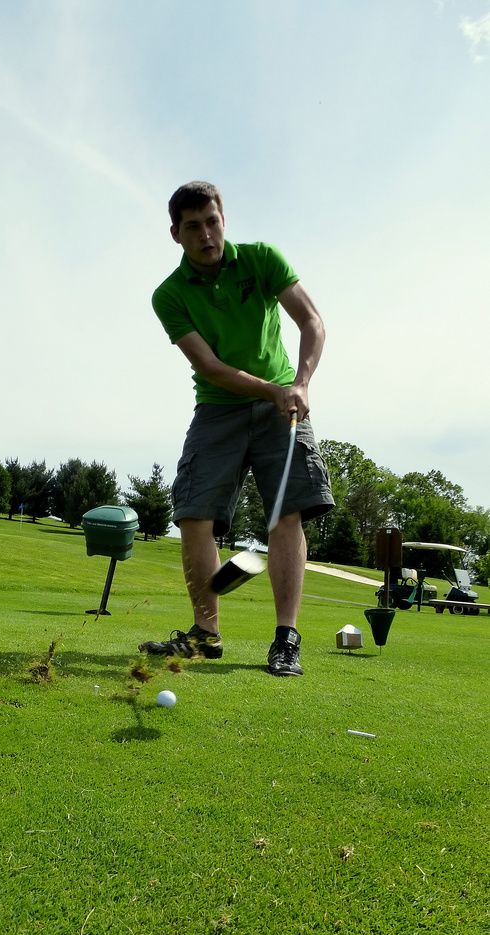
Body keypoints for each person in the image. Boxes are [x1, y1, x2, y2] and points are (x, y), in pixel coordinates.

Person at [139, 182, 334, 676]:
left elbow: (312, 321)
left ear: (224, 219)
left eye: (212, 221)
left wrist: (301, 383)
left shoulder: (262, 259)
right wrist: (274, 390)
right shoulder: (170, 295)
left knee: (287, 513)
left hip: (282, 408)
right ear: (175, 234)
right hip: (219, 409)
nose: (206, 234)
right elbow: (210, 366)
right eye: (192, 227)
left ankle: (286, 638)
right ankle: (206, 634)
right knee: (193, 514)